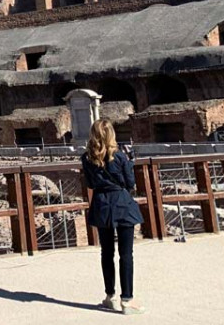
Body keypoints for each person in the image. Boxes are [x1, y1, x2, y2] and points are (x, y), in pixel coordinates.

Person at [81, 120, 145, 315]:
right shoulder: (119, 157)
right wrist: (130, 162)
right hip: (122, 203)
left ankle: (110, 297)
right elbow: (130, 183)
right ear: (111, 135)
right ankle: (127, 300)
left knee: (106, 253)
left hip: (101, 204)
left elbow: (91, 184)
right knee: (126, 254)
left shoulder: (86, 158)